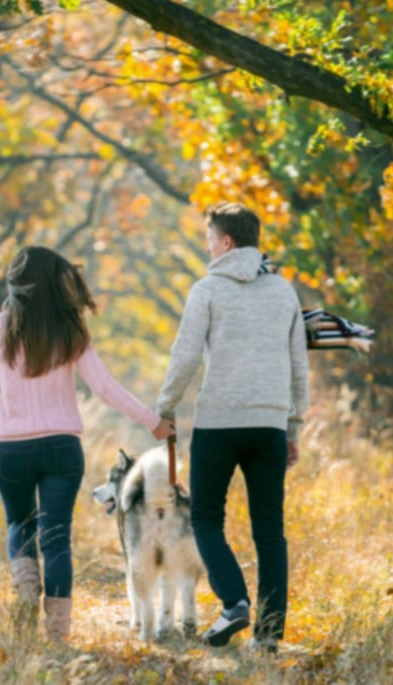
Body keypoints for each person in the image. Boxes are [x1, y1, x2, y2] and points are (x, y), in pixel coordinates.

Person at [0, 245, 173, 643]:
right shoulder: (69, 327)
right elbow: (105, 387)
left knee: (19, 525)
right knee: (57, 535)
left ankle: (26, 593)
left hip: (10, 449)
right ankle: (57, 634)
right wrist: (153, 422)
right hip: (61, 448)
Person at [155, 202, 309, 653]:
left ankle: (234, 602)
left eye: (209, 239)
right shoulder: (284, 292)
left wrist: (165, 407)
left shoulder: (207, 290)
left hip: (218, 423)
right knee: (269, 529)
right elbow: (299, 366)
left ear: (225, 242)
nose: (206, 248)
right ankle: (269, 635)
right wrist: (293, 427)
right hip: (268, 425)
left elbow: (184, 357)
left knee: (205, 517)